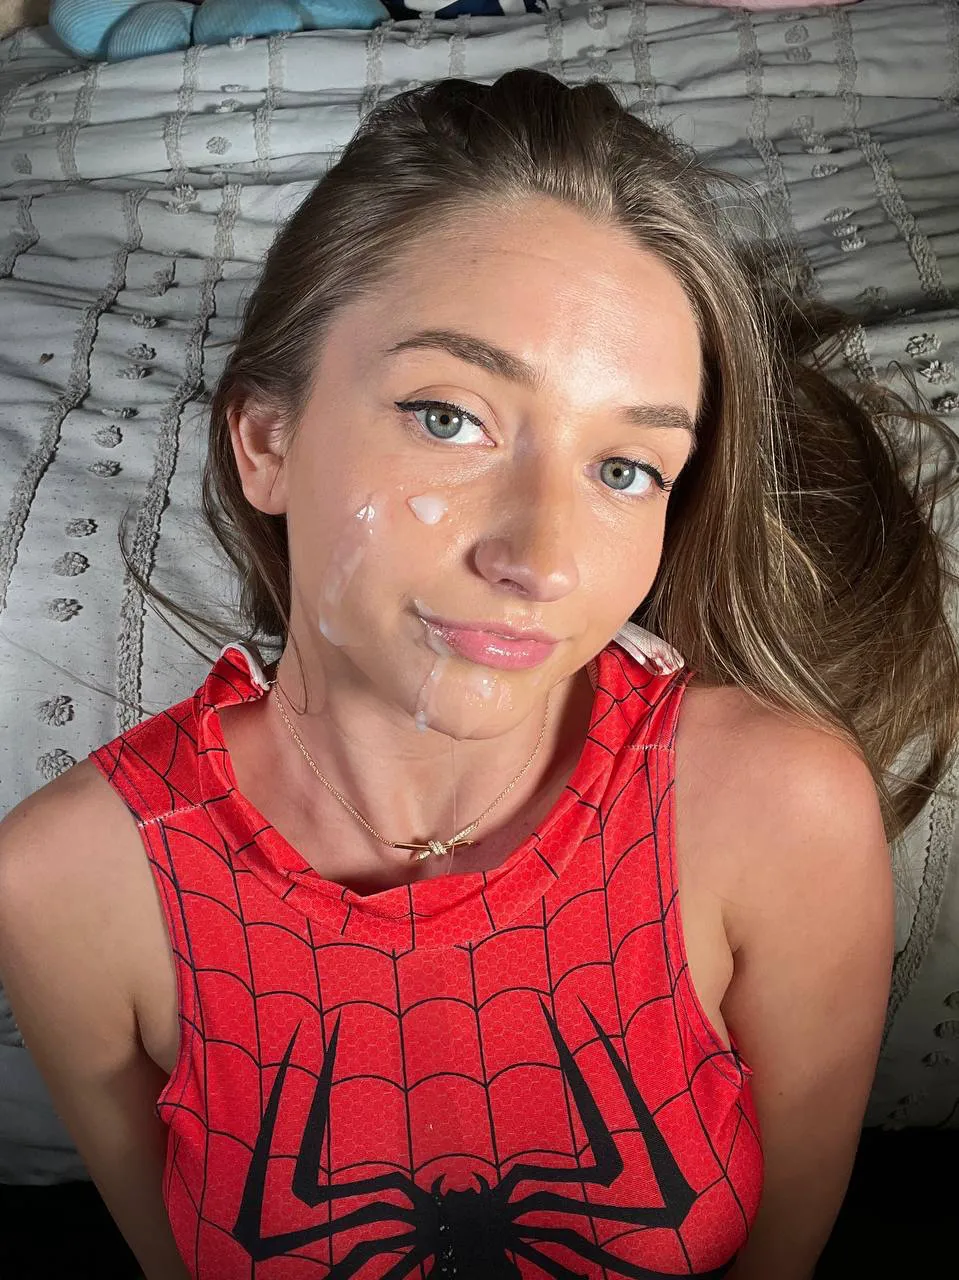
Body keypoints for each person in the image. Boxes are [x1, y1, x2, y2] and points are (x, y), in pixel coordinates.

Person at [0, 69, 956, 1280]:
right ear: (266, 440)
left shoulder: (777, 811)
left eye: (624, 468)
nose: (539, 560)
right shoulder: (66, 885)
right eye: (449, 416)